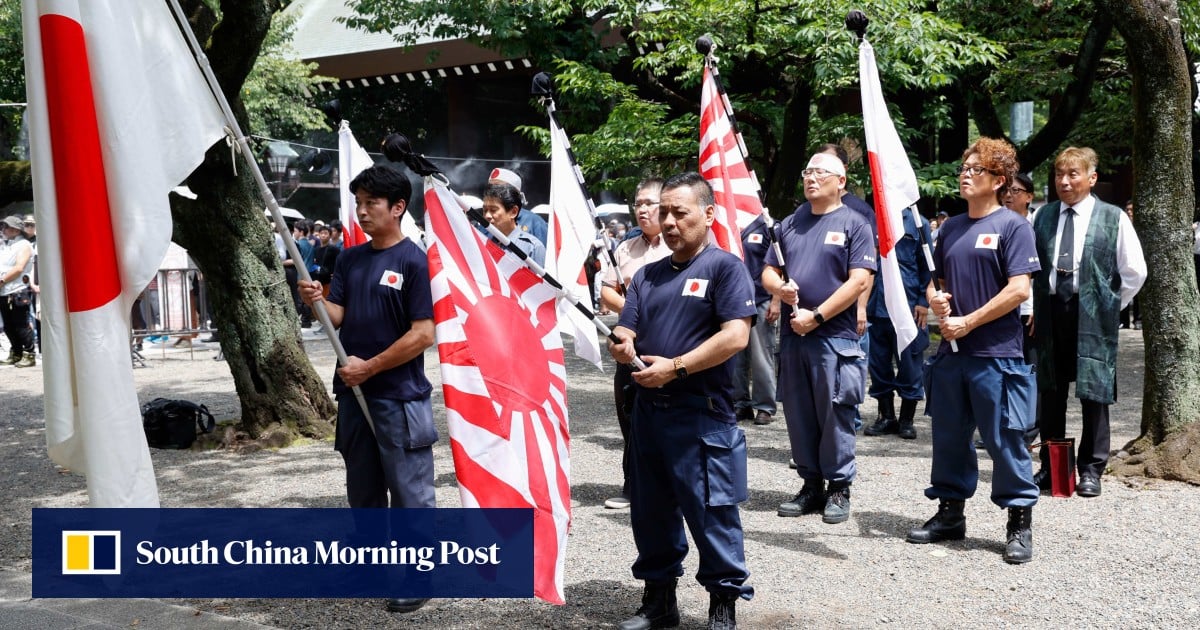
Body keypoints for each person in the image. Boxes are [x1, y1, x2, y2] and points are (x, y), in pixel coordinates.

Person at [608, 172, 754, 630]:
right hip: (648, 414)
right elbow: (626, 328)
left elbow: (736, 336)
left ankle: (722, 605)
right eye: (664, 212)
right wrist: (621, 344)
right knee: (650, 512)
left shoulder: (724, 268)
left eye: (679, 212)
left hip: (701, 415)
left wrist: (676, 366)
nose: (669, 222)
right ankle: (659, 603)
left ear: (708, 214)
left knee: (712, 513)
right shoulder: (647, 275)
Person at [298, 165, 437, 614]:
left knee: (410, 490)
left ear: (398, 207)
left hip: (399, 396)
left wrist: (370, 367)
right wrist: (317, 301)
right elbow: (338, 315)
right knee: (363, 487)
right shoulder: (351, 258)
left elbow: (422, 334)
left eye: (371, 203)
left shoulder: (414, 260)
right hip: (353, 398)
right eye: (358, 203)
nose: (362, 211)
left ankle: (420, 574)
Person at [906, 138, 1040, 564]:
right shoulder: (952, 228)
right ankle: (950, 513)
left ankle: (1019, 520)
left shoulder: (1013, 227)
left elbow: (1019, 289)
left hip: (996, 354)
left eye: (975, 169)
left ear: (999, 180)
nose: (965, 174)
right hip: (951, 354)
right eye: (964, 167)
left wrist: (970, 320)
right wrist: (937, 298)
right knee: (948, 436)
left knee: (1004, 439)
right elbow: (937, 281)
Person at [763, 152, 875, 525]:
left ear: (840, 181)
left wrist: (819, 314)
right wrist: (781, 289)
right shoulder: (791, 224)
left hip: (834, 336)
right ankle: (810, 483)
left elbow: (859, 279)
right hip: (796, 335)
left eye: (820, 173)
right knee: (798, 411)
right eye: (807, 171)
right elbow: (767, 270)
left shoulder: (855, 224)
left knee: (834, 412)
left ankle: (839, 486)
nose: (811, 178)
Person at [1031, 147, 1146, 498]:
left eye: (1073, 174)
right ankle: (1053, 468)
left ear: (1091, 178)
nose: (1064, 182)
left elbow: (1135, 270)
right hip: (1051, 310)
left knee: (1094, 392)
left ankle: (1091, 469)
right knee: (1050, 392)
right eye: (1059, 175)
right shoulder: (1043, 216)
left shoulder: (1112, 217)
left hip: (1092, 312)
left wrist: (1111, 306)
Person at [599, 177, 670, 510]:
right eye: (638, 203)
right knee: (629, 414)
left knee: (667, 415)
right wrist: (634, 311)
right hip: (629, 344)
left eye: (649, 203)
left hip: (669, 345)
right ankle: (634, 482)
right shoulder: (625, 248)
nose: (642, 210)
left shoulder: (678, 247)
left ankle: (669, 485)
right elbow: (607, 291)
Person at [862, 205, 931, 440]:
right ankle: (886, 416)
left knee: (910, 366)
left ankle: (907, 420)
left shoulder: (917, 222)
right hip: (876, 306)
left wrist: (923, 300)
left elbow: (928, 263)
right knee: (878, 365)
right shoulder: (871, 221)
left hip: (908, 307)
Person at [732, 214, 780, 426]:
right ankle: (740, 403)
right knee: (735, 355)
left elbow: (779, 263)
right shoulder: (728, 219)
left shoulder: (768, 225)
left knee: (762, 356)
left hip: (761, 298)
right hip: (733, 300)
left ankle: (764, 406)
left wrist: (776, 300)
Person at [481, 182, 546, 265]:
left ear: (513, 212)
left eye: (493, 210)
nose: (487, 215)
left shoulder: (533, 248)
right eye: (485, 210)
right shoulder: (482, 241)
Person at [1, 216, 36, 367]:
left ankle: (29, 353)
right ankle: (16, 352)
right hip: (4, 291)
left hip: (17, 290)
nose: (3, 229)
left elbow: (19, 268)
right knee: (8, 325)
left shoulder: (24, 245)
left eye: (5, 227)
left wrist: (2, 281)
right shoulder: (7, 246)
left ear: (15, 229)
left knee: (21, 324)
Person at [487, 167, 548, 246]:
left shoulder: (535, 223)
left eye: (499, 189)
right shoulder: (484, 224)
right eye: (490, 188)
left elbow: (545, 256)